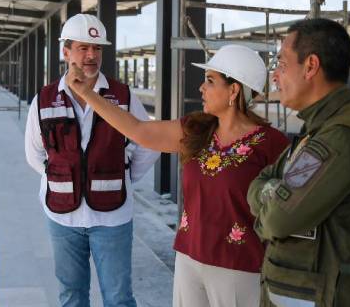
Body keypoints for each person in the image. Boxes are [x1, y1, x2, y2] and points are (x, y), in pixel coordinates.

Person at [66, 44, 289, 307]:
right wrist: (85, 93)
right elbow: (138, 130)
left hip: (238, 268)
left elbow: (287, 210)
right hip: (188, 259)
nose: (201, 88)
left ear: (234, 89)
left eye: (210, 81)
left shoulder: (272, 144)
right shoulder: (196, 129)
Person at [247, 18, 350, 307]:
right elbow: (261, 181)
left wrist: (270, 198)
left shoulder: (337, 138)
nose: (275, 76)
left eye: (282, 64)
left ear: (311, 66)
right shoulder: (323, 128)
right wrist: (273, 191)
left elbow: (278, 218)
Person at [24, 13, 160, 307]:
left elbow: (149, 143)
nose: (91, 55)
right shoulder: (45, 99)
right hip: (62, 217)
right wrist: (63, 177)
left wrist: (122, 175)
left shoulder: (122, 96)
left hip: (112, 217)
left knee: (119, 299)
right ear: (66, 52)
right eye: (83, 48)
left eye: (97, 49)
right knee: (71, 296)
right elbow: (34, 154)